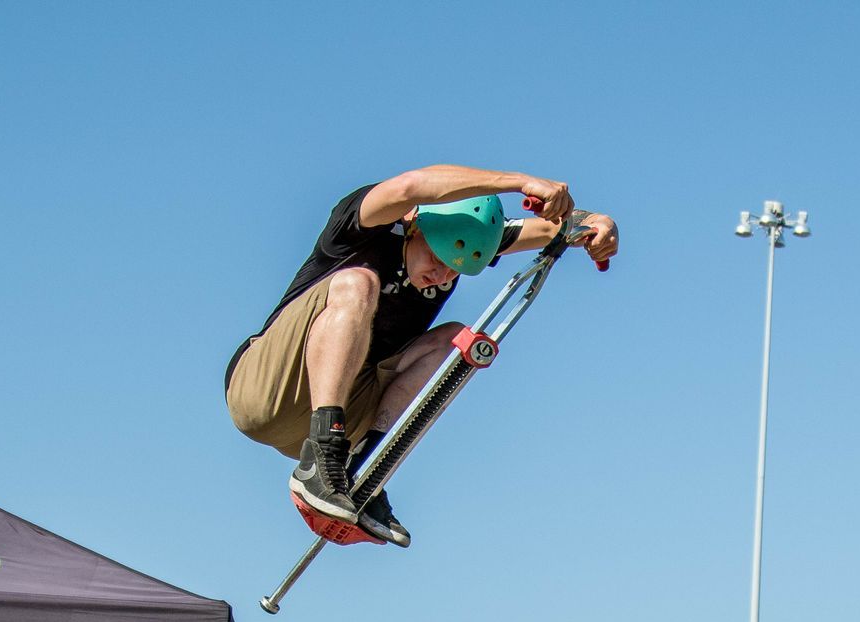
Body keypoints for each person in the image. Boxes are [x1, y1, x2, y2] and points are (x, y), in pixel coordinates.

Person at [226, 166, 619, 544]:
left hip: (351, 411)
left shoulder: (464, 240)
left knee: (456, 340)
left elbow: (556, 229)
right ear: (416, 227)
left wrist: (597, 223)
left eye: (454, 271)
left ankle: (364, 469)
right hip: (266, 389)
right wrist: (519, 183)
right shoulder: (364, 228)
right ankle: (322, 458)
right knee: (359, 282)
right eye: (435, 258)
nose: (441, 276)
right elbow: (410, 186)